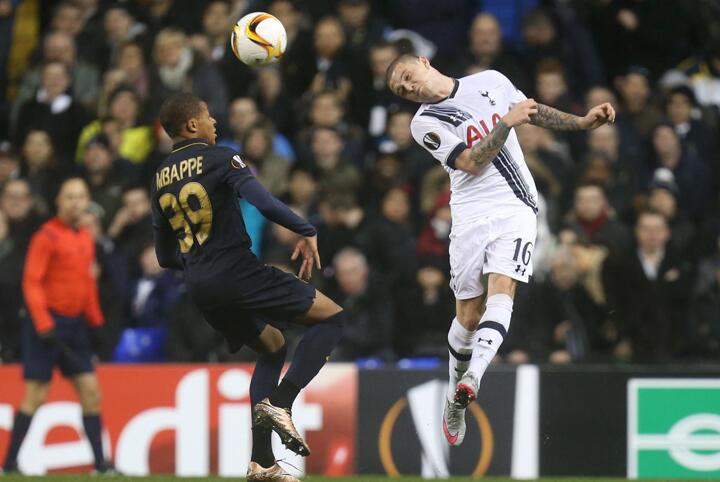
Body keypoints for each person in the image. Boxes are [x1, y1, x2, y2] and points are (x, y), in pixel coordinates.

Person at [386, 54, 615, 446]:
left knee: (503, 287)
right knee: (468, 314)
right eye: (401, 90)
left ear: (424, 62)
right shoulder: (424, 123)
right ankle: (455, 393)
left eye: (408, 76)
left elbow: (533, 111)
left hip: (516, 206)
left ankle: (474, 376)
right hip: (471, 214)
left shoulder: (491, 80)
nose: (409, 87)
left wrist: (581, 122)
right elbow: (471, 162)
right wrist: (506, 122)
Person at [153, 93, 345, 482]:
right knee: (332, 319)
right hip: (237, 272)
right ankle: (282, 402)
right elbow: (263, 201)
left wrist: (199, 261)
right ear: (192, 125)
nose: (214, 123)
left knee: (273, 348)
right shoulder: (221, 157)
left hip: (201, 288)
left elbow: (164, 255)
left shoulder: (160, 176)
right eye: (208, 116)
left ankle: (262, 463)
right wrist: (305, 228)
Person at [1, 178, 115, 474]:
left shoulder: (85, 237)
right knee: (35, 394)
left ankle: (101, 466)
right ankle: (9, 465)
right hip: (47, 325)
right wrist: (43, 323)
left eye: (81, 197)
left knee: (90, 391)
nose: (76, 203)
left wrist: (96, 323)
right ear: (59, 202)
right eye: (70, 197)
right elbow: (32, 282)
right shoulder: (46, 236)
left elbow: (87, 284)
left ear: (87, 201)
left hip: (74, 326)